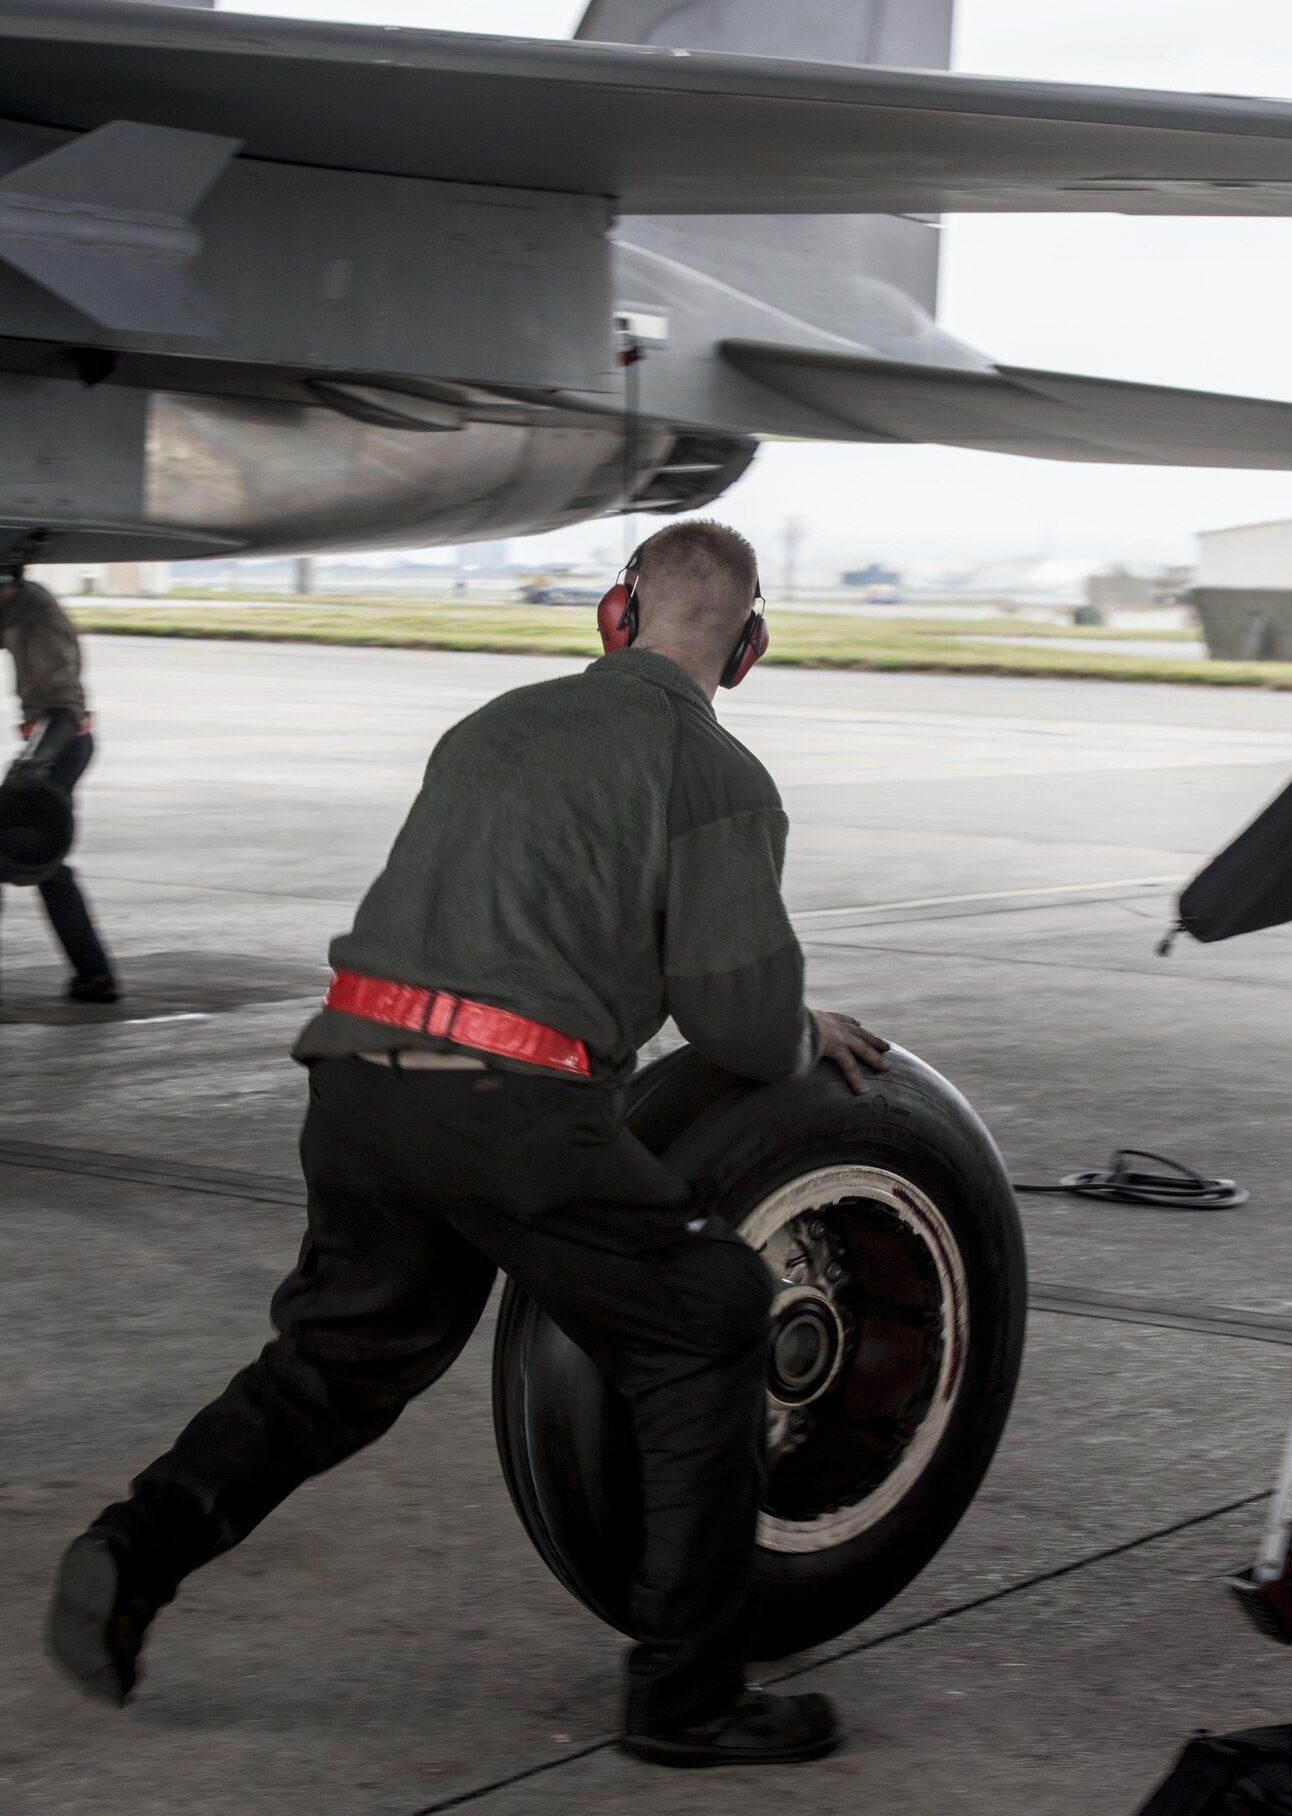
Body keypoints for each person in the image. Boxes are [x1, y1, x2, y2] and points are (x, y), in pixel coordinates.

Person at [45, 518, 888, 1768]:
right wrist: (800, 1021)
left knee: (336, 1361)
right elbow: (741, 1026)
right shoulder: (714, 773)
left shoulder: (491, 722)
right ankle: (686, 1694)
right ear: (750, 645)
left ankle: (132, 1550)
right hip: (514, 1109)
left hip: (356, 1087)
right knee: (708, 1309)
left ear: (613, 615)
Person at [0, 560, 119, 1003]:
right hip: (48, 748)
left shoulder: (38, 624)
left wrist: (35, 765)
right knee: (40, 865)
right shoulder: (16, 607)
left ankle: (96, 974)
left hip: (59, 746)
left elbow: (64, 709)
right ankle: (95, 974)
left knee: (28, 857)